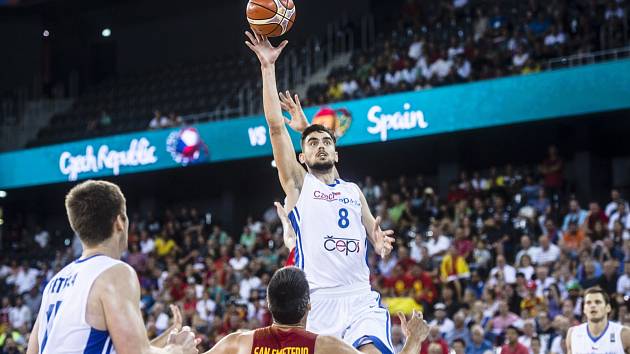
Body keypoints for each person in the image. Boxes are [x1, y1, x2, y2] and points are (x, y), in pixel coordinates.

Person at [245, 31, 396, 354]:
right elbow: (274, 126)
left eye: (327, 142)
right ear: (302, 157)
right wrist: (268, 68)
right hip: (318, 301)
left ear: (337, 153)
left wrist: (378, 240)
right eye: (313, 143)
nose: (321, 146)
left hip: (358, 297)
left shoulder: (353, 191)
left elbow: (372, 228)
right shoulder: (300, 186)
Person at [25, 180, 198, 354]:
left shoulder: (54, 282)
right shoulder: (115, 273)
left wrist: (164, 341)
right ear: (119, 222)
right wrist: (178, 350)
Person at [204, 267, 429, 353]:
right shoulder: (326, 346)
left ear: (269, 304)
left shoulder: (239, 343)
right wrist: (414, 340)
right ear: (309, 305)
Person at [566, 286, 630, 353]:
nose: (593, 305)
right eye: (588, 303)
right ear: (584, 309)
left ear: (608, 308)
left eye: (597, 302)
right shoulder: (573, 334)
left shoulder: (624, 334)